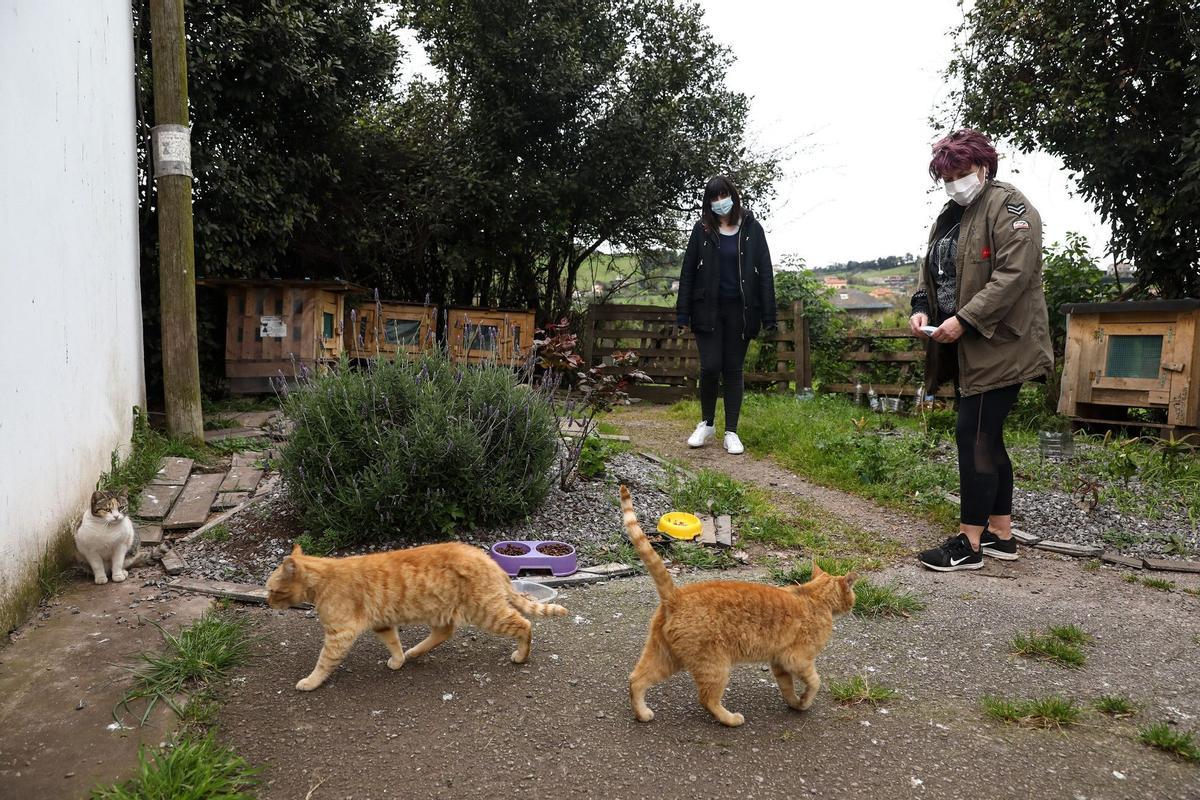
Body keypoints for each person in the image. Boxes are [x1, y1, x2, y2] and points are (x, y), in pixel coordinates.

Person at [910, 129, 1054, 572]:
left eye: (962, 172)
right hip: (963, 345)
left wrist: (966, 319)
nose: (955, 182)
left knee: (973, 437)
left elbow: (1013, 274)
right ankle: (1001, 534)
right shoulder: (949, 214)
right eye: (947, 176)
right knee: (987, 439)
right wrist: (920, 306)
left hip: (1001, 344)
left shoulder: (1009, 206)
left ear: (984, 167)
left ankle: (969, 543)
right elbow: (930, 267)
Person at [675, 176, 777, 455]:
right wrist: (682, 314)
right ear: (709, 202)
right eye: (714, 197)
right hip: (707, 309)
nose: (720, 202)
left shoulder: (752, 228)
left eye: (724, 195)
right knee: (709, 367)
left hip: (741, 311)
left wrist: (769, 316)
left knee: (733, 369)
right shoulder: (702, 229)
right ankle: (707, 423)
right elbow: (687, 272)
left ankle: (731, 431)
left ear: (732, 195)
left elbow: (765, 272)